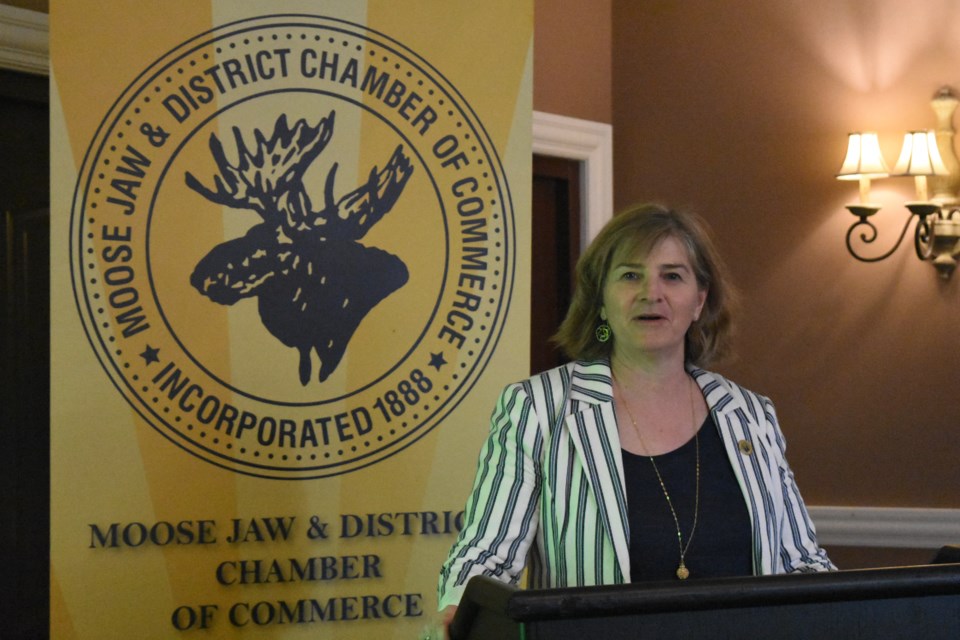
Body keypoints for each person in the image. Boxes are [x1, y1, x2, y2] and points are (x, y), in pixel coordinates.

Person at [436, 203, 834, 633]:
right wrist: (463, 612)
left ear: (699, 300)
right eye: (630, 275)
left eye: (672, 276)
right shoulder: (539, 408)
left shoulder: (751, 414)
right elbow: (486, 556)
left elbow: (803, 562)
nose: (651, 292)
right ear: (601, 301)